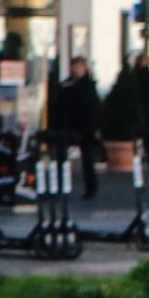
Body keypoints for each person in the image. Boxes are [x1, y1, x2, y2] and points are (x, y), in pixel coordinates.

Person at [50, 54, 103, 199]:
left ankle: (90, 188)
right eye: (75, 67)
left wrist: (95, 126)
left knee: (87, 158)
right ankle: (60, 186)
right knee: (60, 156)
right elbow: (58, 104)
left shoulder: (88, 86)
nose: (77, 69)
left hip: (85, 126)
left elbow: (94, 107)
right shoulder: (66, 84)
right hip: (67, 125)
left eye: (80, 67)